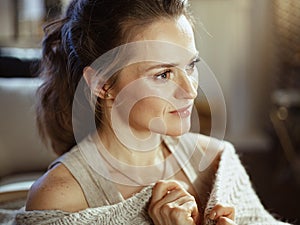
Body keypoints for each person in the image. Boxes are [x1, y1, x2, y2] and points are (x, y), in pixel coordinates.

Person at [17, 0, 290, 225]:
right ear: (102, 84)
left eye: (191, 66)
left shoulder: (217, 163)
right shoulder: (60, 200)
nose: (191, 90)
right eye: (163, 74)